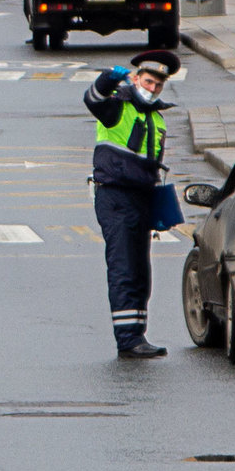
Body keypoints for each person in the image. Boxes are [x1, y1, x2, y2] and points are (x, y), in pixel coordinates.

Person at [84, 48, 182, 359]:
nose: (153, 89)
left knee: (140, 271)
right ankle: (127, 339)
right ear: (136, 79)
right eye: (148, 81)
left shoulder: (156, 117)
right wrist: (108, 79)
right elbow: (93, 99)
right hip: (115, 195)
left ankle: (138, 333)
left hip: (141, 198)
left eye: (158, 85)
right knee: (124, 268)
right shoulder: (117, 107)